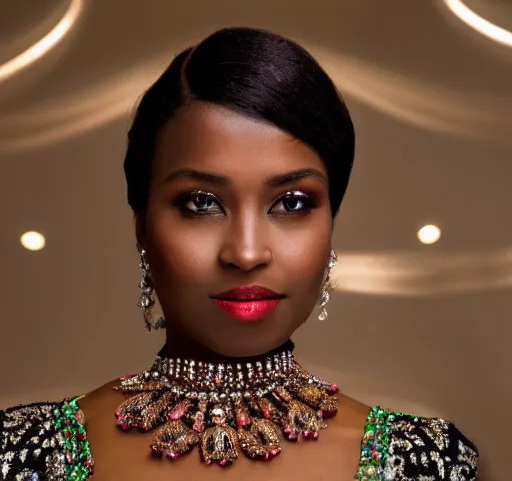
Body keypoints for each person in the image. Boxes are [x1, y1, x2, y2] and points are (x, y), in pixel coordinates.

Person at [0, 26, 479, 481]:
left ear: (330, 223)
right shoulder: (26, 453)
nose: (246, 253)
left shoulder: (425, 462)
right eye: (201, 203)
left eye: (292, 203)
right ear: (142, 227)